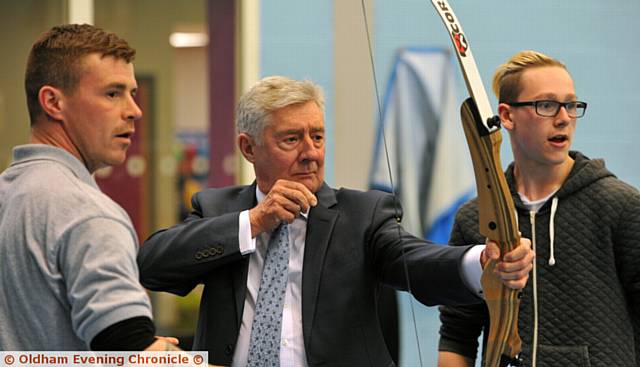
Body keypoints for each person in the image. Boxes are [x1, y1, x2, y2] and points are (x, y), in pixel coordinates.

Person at [137, 76, 534, 366]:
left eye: (319, 137)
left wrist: (481, 262)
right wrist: (254, 222)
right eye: (292, 139)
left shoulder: (363, 214)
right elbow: (152, 265)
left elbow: (414, 260)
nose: (311, 153)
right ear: (248, 148)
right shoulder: (220, 210)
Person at [438, 50, 640, 367]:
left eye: (571, 105)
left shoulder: (621, 206)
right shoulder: (475, 218)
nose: (563, 117)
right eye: (546, 105)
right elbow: (456, 335)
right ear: (506, 116)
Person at [0, 24, 179, 351]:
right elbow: (131, 351)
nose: (134, 111)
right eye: (113, 93)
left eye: (132, 94)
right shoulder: (86, 213)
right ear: (53, 102)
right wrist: (166, 356)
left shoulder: (9, 194)